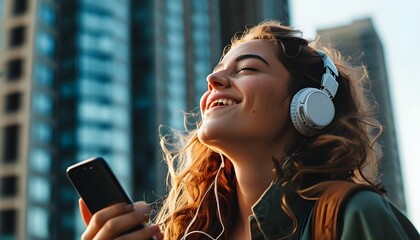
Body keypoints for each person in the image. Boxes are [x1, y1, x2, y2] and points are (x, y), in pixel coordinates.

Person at [78, 20, 419, 239]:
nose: (213, 80)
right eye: (217, 71)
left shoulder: (353, 216)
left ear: (310, 105)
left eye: (247, 68)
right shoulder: (186, 234)